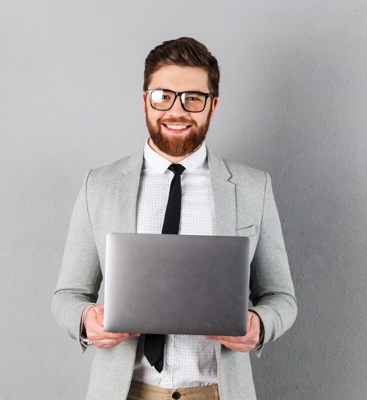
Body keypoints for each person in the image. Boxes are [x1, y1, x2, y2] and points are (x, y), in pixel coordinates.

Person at [52, 37, 297, 400]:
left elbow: (281, 297)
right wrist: (86, 321)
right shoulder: (100, 186)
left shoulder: (251, 188)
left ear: (212, 107)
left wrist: (259, 326)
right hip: (126, 392)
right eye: (162, 96)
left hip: (216, 392)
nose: (176, 111)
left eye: (192, 99)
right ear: (145, 101)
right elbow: (68, 295)